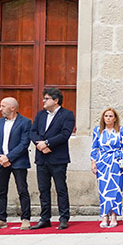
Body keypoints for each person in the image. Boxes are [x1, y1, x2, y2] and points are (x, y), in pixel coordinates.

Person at [29, 87, 75, 230]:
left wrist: (48, 143)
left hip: (58, 158)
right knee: (43, 189)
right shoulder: (40, 115)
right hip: (42, 158)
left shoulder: (67, 114)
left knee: (60, 188)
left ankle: (64, 217)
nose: (43, 100)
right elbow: (33, 132)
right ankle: (45, 218)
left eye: (47, 98)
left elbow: (65, 134)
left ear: (56, 100)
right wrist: (40, 144)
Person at [0, 97, 32, 230]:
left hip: (18, 161)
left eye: (3, 106)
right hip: (0, 162)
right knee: (0, 191)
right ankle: (0, 218)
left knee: (22, 190)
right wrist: (0, 157)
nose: (0, 108)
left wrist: (9, 157)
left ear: (12, 108)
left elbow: (24, 143)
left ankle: (25, 218)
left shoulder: (25, 122)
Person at [91, 108, 123, 228]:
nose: (108, 118)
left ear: (115, 118)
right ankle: (104, 215)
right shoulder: (98, 131)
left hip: (116, 161)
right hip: (102, 161)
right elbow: (94, 147)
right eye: (106, 116)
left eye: (110, 116)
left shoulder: (121, 130)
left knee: (116, 188)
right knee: (103, 189)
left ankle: (114, 215)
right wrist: (93, 162)